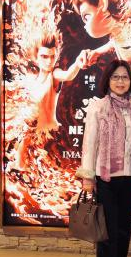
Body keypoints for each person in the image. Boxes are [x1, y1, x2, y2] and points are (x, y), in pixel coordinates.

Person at [76, 59, 131, 257]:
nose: (120, 81)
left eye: (124, 77)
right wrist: (87, 177)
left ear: (130, 81)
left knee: (124, 229)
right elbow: (89, 143)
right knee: (107, 232)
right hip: (105, 179)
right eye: (115, 77)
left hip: (129, 178)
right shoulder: (98, 107)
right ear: (108, 80)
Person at [12, 32, 89, 170]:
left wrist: (78, 63)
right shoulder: (30, 80)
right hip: (30, 137)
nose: (49, 61)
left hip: (48, 137)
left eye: (52, 56)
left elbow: (68, 75)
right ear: (35, 57)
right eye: (44, 56)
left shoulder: (54, 74)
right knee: (21, 168)